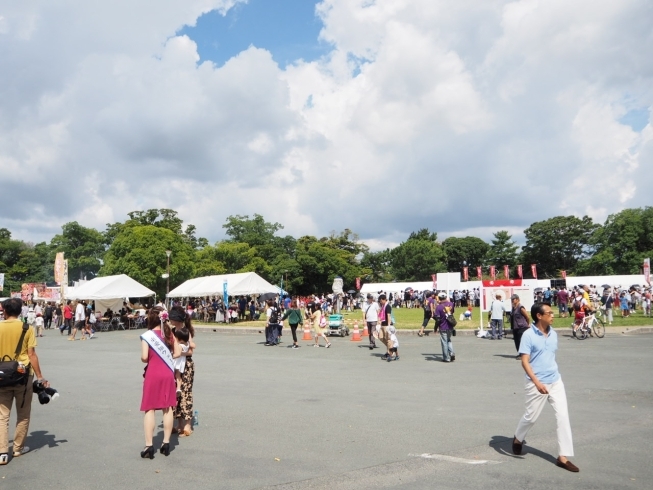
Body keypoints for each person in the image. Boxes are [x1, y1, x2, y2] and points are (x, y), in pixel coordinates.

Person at [513, 303, 579, 472]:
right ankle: (518, 438)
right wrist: (536, 382)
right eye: (549, 313)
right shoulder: (528, 335)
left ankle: (562, 457)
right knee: (531, 417)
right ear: (539, 316)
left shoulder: (553, 334)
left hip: (555, 380)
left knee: (563, 416)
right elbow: (525, 361)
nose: (553, 315)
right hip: (537, 383)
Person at [0, 298, 49, 465]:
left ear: (4, 311)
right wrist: (40, 377)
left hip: (1, 377)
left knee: (2, 416)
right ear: (20, 311)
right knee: (23, 414)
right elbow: (31, 355)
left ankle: (2, 453)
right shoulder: (27, 328)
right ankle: (18, 448)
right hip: (23, 377)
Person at [140, 307, 180, 459]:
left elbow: (144, 357)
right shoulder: (169, 334)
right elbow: (176, 353)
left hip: (153, 374)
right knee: (167, 407)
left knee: (149, 408)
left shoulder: (147, 336)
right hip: (167, 373)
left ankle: (149, 445)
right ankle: (166, 443)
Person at [169, 306, 196, 438]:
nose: (170, 321)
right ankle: (179, 424)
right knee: (176, 393)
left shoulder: (186, 331)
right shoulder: (172, 331)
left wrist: (180, 353)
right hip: (175, 365)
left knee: (186, 393)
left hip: (186, 365)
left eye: (172, 319)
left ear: (176, 319)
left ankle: (187, 425)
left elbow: (191, 350)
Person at [434, 292, 455, 362]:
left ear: (439, 298)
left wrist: (435, 327)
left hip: (443, 326)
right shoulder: (451, 304)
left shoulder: (438, 307)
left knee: (444, 342)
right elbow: (452, 313)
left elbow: (437, 319)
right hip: (450, 325)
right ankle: (451, 353)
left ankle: (446, 357)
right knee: (449, 340)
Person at [510, 294, 531, 359]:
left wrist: (527, 325)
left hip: (522, 327)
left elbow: (527, 317)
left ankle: (523, 355)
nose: (512, 301)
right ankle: (520, 354)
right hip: (515, 327)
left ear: (517, 299)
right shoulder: (514, 307)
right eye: (511, 299)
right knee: (517, 341)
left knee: (521, 341)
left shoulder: (521, 307)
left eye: (513, 299)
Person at [173, 328, 190, 394]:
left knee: (176, 374)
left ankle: (176, 387)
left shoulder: (180, 345)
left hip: (177, 361)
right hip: (182, 361)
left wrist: (172, 356)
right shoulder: (187, 344)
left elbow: (178, 354)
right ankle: (178, 388)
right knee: (178, 375)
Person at [377, 294, 392, 359]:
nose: (380, 302)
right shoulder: (383, 307)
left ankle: (389, 352)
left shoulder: (388, 306)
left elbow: (388, 316)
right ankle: (391, 348)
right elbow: (380, 315)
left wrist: (389, 325)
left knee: (388, 339)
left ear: (384, 299)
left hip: (386, 325)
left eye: (381, 301)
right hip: (382, 324)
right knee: (380, 337)